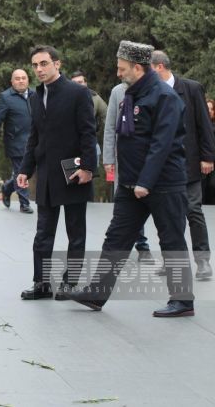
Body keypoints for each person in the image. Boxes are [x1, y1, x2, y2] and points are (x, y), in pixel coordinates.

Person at [67, 41, 195, 317]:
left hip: (162, 183)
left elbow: (162, 145)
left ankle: (183, 301)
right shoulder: (131, 93)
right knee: (116, 239)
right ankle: (96, 294)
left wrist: (145, 182)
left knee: (171, 239)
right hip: (131, 183)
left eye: (122, 68)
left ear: (138, 68)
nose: (118, 73)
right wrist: (126, 177)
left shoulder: (165, 97)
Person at [16, 45, 97, 301]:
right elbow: (35, 136)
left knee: (75, 232)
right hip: (46, 174)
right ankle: (41, 283)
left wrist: (87, 168)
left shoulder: (78, 93)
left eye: (44, 64)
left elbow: (88, 132)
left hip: (73, 172)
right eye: (35, 65)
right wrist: (25, 170)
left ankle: (70, 283)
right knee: (43, 232)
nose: (39, 69)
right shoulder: (35, 96)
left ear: (57, 64)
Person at [150, 51, 215, 280]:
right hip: (162, 166)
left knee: (193, 211)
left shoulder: (191, 88)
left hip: (188, 164)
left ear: (158, 67)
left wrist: (208, 157)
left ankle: (203, 262)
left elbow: (204, 125)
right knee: (166, 215)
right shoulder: (150, 92)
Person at [104, 81, 154, 263]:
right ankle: (141, 245)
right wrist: (108, 159)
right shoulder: (118, 91)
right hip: (124, 162)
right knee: (128, 206)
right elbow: (110, 127)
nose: (120, 73)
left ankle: (170, 255)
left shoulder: (156, 91)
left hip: (151, 160)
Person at [0, 68, 34, 214]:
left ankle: (7, 189)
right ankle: (24, 203)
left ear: (28, 80)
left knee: (29, 172)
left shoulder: (36, 95)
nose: (21, 81)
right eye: (17, 78)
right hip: (16, 142)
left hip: (34, 142)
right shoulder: (5, 97)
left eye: (23, 78)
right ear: (12, 81)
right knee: (21, 171)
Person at [70, 70, 108, 160]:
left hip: (91, 143)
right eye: (74, 83)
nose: (77, 85)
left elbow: (107, 117)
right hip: (70, 146)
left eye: (80, 82)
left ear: (85, 83)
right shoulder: (65, 99)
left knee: (92, 172)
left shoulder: (95, 98)